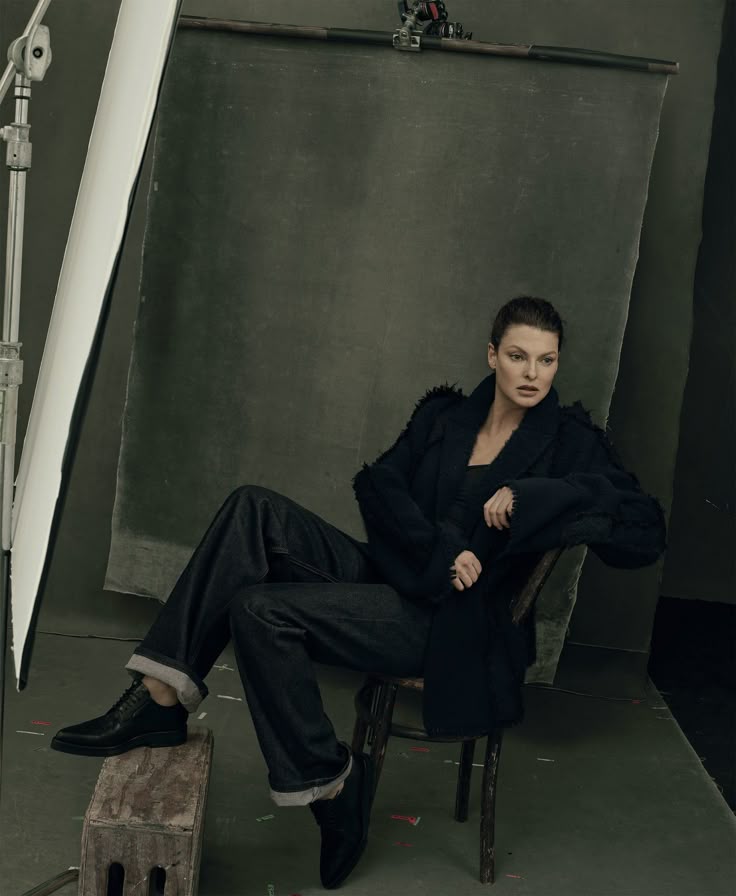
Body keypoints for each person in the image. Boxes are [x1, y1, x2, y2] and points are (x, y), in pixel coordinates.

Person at [51, 296, 666, 889]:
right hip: (399, 576)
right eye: (518, 356)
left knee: (259, 611)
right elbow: (378, 485)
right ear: (492, 355)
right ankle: (161, 695)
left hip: (454, 623)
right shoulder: (446, 416)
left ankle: (334, 783)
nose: (532, 373)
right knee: (251, 508)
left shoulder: (569, 441)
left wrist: (535, 496)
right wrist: (437, 553)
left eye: (546, 360)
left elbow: (643, 527)